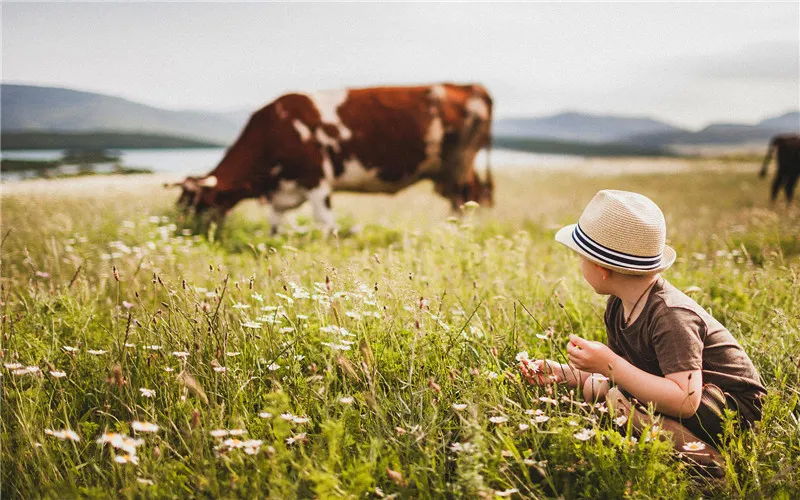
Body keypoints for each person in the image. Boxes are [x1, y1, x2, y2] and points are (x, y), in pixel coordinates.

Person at [520, 190, 766, 471]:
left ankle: (712, 463)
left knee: (616, 400)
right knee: (597, 389)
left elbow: (686, 400)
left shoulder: (671, 316)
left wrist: (610, 364)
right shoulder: (619, 306)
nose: (579, 265)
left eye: (580, 257)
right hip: (692, 399)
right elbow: (630, 372)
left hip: (731, 412)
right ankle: (673, 442)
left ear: (601, 269)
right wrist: (566, 374)